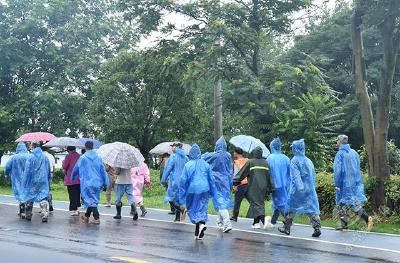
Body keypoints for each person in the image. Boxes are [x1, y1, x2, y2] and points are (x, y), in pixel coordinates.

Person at [278, 139, 322, 237]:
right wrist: (310, 187)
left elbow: (296, 176)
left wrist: (300, 187)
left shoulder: (294, 160)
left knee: (291, 208)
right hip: (309, 189)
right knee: (311, 209)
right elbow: (313, 175)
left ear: (295, 148)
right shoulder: (308, 160)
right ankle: (317, 228)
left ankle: (287, 228)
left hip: (298, 190)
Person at [334, 135, 373, 231]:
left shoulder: (340, 154)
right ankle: (344, 225)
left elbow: (337, 171)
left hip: (344, 184)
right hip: (354, 183)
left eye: (337, 140)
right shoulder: (354, 153)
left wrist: (337, 184)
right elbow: (357, 168)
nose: (336, 141)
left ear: (340, 142)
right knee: (343, 204)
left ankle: (368, 219)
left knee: (351, 204)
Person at [179, 144, 217, 240]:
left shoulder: (188, 165)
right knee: (202, 208)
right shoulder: (206, 164)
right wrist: (213, 191)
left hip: (192, 190)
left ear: (191, 153)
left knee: (192, 208)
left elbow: (183, 180)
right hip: (205, 189)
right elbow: (211, 179)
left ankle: (200, 227)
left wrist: (182, 194)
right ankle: (199, 229)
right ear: (199, 153)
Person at [233, 146, 274, 229]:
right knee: (259, 203)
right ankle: (256, 223)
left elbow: (242, 173)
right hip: (264, 187)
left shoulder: (251, 162)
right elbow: (269, 176)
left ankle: (264, 219)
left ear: (254, 153)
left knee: (255, 203)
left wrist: (235, 182)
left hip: (254, 186)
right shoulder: (265, 162)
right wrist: (271, 187)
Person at [71, 141, 109, 224]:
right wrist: (106, 182)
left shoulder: (83, 158)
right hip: (97, 182)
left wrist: (72, 177)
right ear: (93, 147)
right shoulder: (98, 158)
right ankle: (86, 216)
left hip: (87, 182)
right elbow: (103, 171)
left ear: (85, 147)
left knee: (90, 200)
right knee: (92, 199)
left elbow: (76, 169)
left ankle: (96, 217)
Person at [203, 136, 233, 233]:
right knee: (222, 200)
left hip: (216, 182)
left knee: (220, 202)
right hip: (226, 181)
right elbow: (230, 170)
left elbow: (201, 157)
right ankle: (219, 222)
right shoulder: (228, 155)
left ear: (217, 146)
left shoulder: (213, 155)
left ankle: (227, 223)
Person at [22, 141, 51, 222]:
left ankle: (28, 214)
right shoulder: (45, 157)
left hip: (32, 180)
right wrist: (48, 179)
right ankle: (44, 213)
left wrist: (24, 182)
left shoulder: (30, 157)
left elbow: (27, 171)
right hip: (43, 180)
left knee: (30, 196)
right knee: (43, 196)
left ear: (33, 146)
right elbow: (48, 169)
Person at [265, 137, 290, 227]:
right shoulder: (286, 158)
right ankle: (274, 220)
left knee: (279, 203)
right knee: (280, 202)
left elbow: (267, 172)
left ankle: (288, 220)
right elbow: (289, 173)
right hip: (285, 184)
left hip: (275, 184)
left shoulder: (269, 158)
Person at [161, 142, 189, 222]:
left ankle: (182, 209)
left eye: (173, 146)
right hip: (184, 181)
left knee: (172, 198)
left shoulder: (173, 156)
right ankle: (177, 218)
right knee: (179, 198)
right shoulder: (186, 157)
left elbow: (168, 169)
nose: (172, 148)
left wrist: (163, 179)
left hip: (175, 181)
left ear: (177, 147)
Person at [4, 142, 30, 218]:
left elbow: (7, 167)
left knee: (19, 193)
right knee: (27, 193)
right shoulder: (29, 156)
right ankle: (27, 208)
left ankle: (21, 208)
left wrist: (6, 175)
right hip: (28, 178)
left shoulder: (13, 157)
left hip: (17, 179)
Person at [230, 147, 249, 222]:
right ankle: (259, 215)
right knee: (251, 200)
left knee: (237, 201)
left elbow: (236, 175)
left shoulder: (236, 162)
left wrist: (234, 186)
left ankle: (235, 216)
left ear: (236, 153)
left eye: (234, 152)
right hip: (248, 183)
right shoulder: (247, 160)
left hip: (240, 184)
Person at [62, 146, 81, 216]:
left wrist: (63, 163)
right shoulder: (80, 156)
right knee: (77, 193)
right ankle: (78, 208)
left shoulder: (68, 156)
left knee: (72, 195)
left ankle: (74, 210)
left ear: (68, 150)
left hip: (71, 179)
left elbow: (64, 166)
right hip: (79, 178)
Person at [41, 145, 55, 211]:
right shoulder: (51, 156)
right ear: (47, 149)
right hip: (50, 173)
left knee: (41, 190)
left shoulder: (40, 156)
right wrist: (53, 174)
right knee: (48, 189)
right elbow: (53, 166)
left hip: (42, 175)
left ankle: (43, 207)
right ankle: (50, 203)